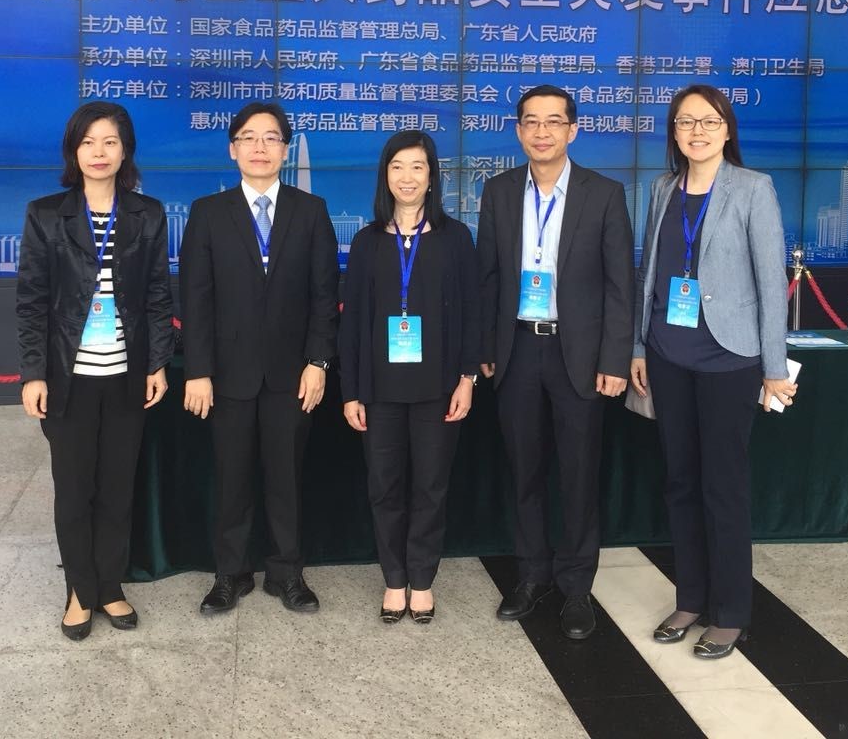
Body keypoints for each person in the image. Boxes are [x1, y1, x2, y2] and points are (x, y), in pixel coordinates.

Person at [629, 84, 796, 660]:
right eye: (685, 122)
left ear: (727, 129)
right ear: (673, 132)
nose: (696, 131)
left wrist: (774, 368)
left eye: (708, 121)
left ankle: (730, 612)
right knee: (680, 481)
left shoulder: (753, 189)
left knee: (722, 486)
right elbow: (648, 273)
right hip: (667, 355)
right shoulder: (662, 188)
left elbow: (771, 283)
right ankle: (691, 598)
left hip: (729, 359)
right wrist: (638, 346)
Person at [478, 84, 634, 641]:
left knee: (578, 473)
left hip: (580, 354)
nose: (541, 132)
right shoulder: (498, 191)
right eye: (531, 121)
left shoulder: (604, 194)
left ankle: (576, 588)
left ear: (573, 129)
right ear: (518, 130)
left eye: (553, 121)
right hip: (517, 348)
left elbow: (620, 285)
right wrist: (485, 348)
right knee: (524, 471)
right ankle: (531, 576)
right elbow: (487, 276)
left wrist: (615, 358)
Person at [15, 101, 174, 640]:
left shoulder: (147, 214)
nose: (99, 152)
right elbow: (32, 301)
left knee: (116, 489)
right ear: (74, 151)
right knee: (73, 489)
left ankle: (110, 586)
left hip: (127, 376)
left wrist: (157, 363)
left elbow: (158, 295)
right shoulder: (46, 214)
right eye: (88, 142)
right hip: (69, 378)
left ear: (125, 151)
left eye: (110, 141)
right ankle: (79, 592)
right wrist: (34, 373)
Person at [179, 101, 339, 615]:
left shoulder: (310, 211)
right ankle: (231, 574)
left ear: (285, 150)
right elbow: (195, 298)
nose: (260, 147)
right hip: (227, 375)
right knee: (232, 477)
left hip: (292, 375)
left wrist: (318, 361)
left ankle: (287, 574)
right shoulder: (208, 212)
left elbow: (324, 294)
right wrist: (198, 371)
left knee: (286, 477)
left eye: (271, 138)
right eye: (249, 137)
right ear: (233, 149)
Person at [339, 130, 479, 624]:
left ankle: (422, 580)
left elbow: (472, 312)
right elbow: (352, 323)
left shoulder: (455, 238)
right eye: (397, 166)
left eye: (418, 167)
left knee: (430, 486)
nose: (407, 177)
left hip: (438, 387)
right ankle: (393, 579)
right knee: (385, 486)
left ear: (432, 177)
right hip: (379, 390)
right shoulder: (367, 241)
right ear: (385, 176)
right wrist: (351, 392)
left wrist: (467, 378)